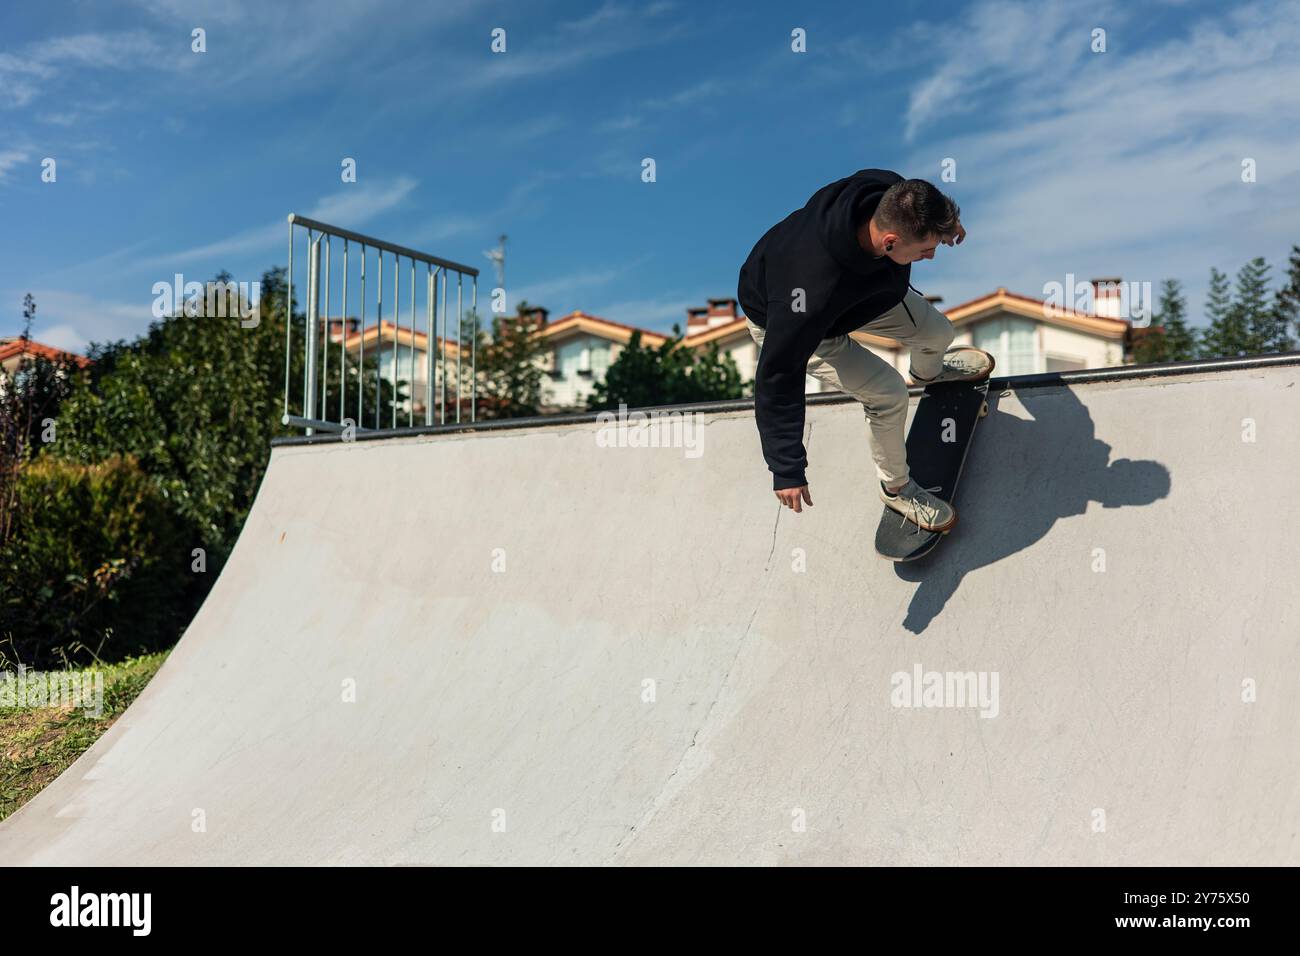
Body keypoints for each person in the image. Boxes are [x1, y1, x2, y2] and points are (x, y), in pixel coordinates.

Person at [737, 168, 987, 530]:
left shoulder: (887, 191)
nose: (930, 257)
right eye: (925, 250)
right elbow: (778, 376)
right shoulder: (805, 291)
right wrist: (786, 468)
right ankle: (897, 488)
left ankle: (929, 374)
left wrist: (948, 226)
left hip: (863, 296)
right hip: (793, 324)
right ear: (889, 243)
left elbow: (923, 203)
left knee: (937, 332)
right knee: (888, 392)